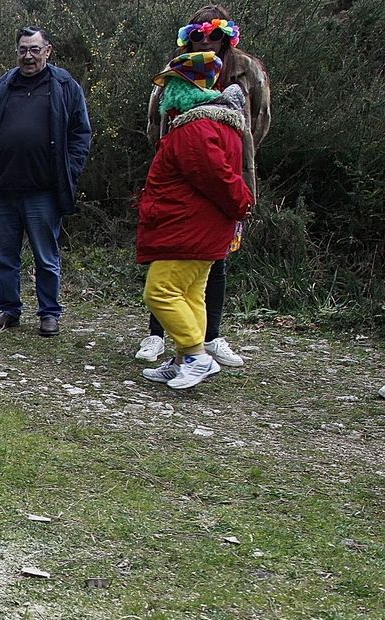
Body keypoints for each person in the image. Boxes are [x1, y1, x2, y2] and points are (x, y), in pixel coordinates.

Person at [135, 6, 270, 367]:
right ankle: (166, 340)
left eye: (214, 34)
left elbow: (259, 119)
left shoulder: (245, 69)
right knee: (181, 263)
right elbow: (155, 117)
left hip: (216, 168)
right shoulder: (178, 66)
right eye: (198, 34)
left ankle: (202, 346)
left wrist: (229, 146)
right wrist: (175, 154)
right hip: (183, 168)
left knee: (195, 268)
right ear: (189, 36)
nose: (206, 40)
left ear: (226, 35)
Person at [0, 25, 92, 338]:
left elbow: (81, 133)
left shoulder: (64, 86)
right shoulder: (1, 86)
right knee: (6, 257)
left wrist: (70, 170)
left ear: (48, 51)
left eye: (35, 49)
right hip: (2, 191)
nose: (28, 56)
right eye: (23, 49)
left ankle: (49, 314)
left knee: (46, 258)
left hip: (44, 192)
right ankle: (9, 309)